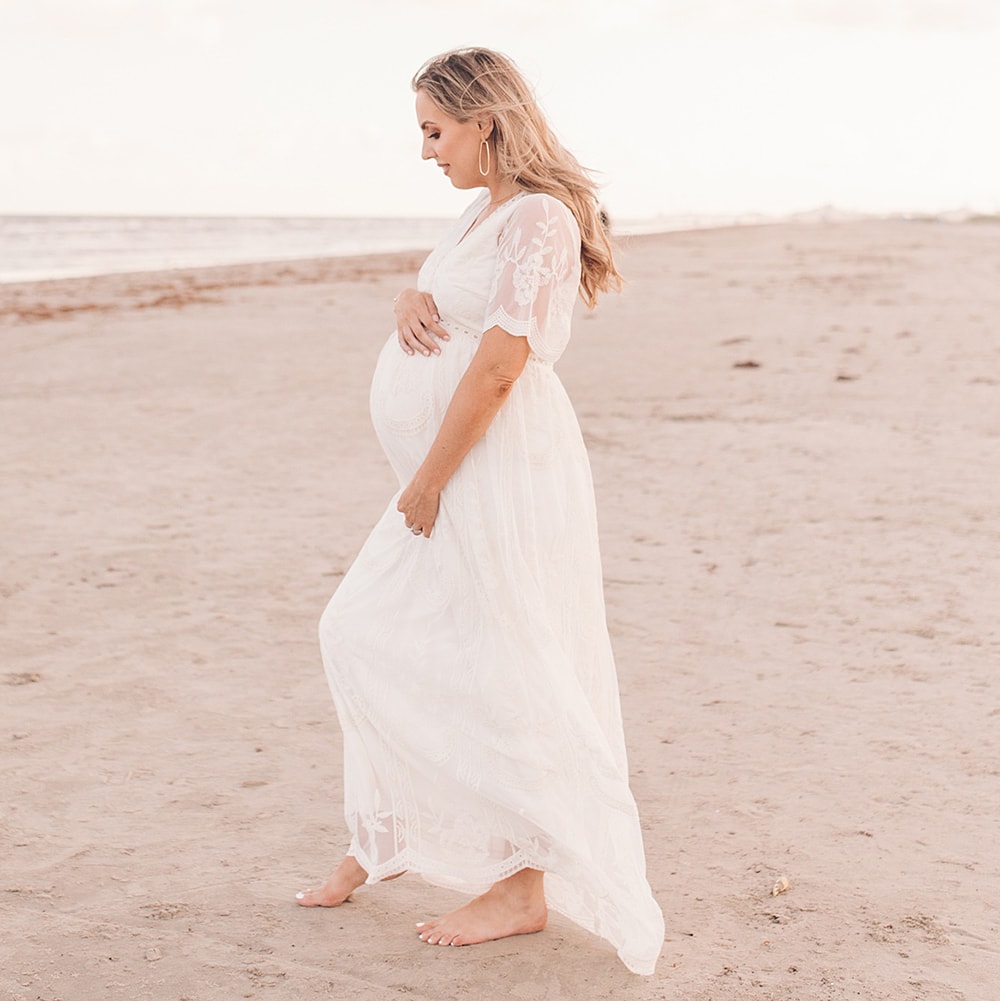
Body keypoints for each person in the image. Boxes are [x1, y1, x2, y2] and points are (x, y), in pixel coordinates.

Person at [296, 47, 664, 976]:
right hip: (459, 470)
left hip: (492, 469)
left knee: (505, 655)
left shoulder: (539, 215)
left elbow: (502, 363)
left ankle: (524, 883)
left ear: (484, 123)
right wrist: (409, 293)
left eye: (434, 130)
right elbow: (456, 308)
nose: (426, 151)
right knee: (377, 633)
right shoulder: (482, 214)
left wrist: (428, 479)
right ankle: (384, 838)